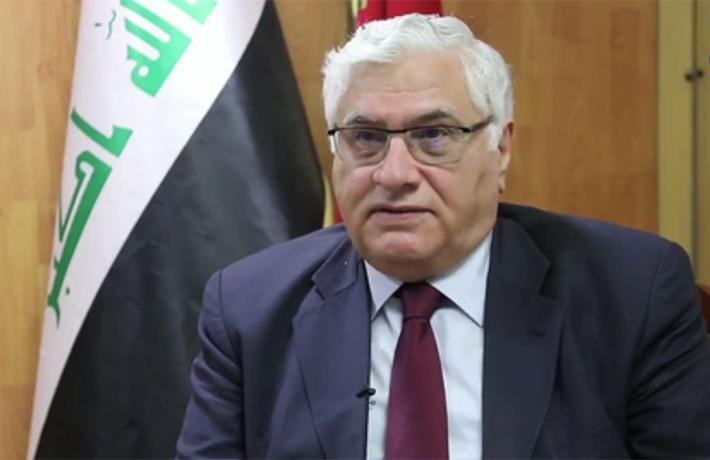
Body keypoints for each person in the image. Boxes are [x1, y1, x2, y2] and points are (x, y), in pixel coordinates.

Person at [174, 13, 710, 460]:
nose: (394, 174)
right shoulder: (248, 308)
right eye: (366, 137)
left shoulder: (632, 294)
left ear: (500, 149)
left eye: (434, 135)